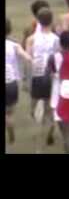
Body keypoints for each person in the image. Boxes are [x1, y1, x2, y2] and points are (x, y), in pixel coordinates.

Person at [25, 8, 60, 153]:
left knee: (33, 109)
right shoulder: (56, 39)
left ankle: (41, 133)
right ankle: (50, 128)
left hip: (37, 75)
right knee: (49, 108)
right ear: (51, 21)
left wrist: (26, 79)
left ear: (38, 21)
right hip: (50, 75)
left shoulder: (31, 39)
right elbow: (58, 58)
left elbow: (28, 59)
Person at [6, 18, 33, 146]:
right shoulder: (14, 45)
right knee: (10, 113)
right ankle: (10, 132)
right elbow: (27, 57)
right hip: (11, 83)